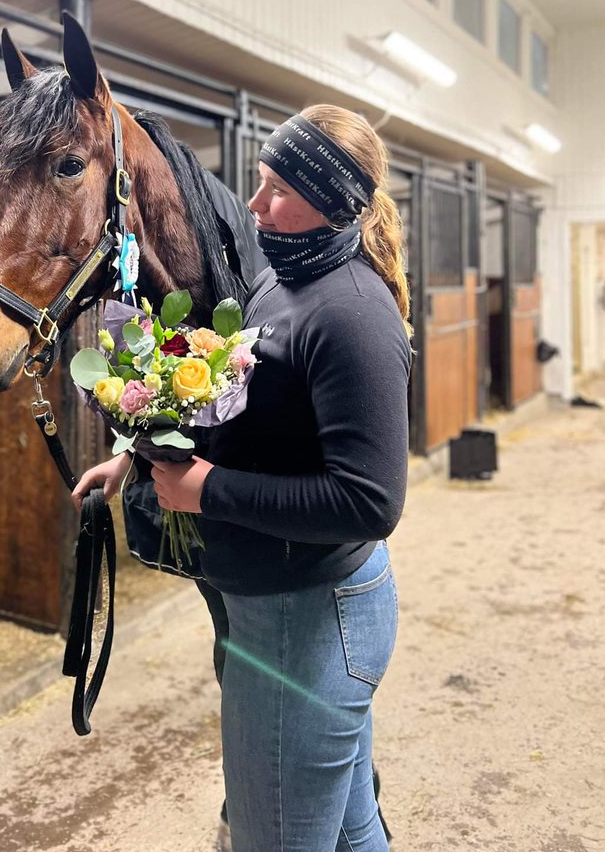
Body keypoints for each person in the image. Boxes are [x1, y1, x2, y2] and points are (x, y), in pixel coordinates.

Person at [74, 104, 411, 852]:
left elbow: (370, 501)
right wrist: (136, 452)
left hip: (307, 615)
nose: (255, 205)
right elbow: (240, 407)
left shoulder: (353, 314)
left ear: (332, 201)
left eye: (279, 190)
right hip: (279, 603)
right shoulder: (275, 285)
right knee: (350, 831)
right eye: (259, 182)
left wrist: (206, 491)